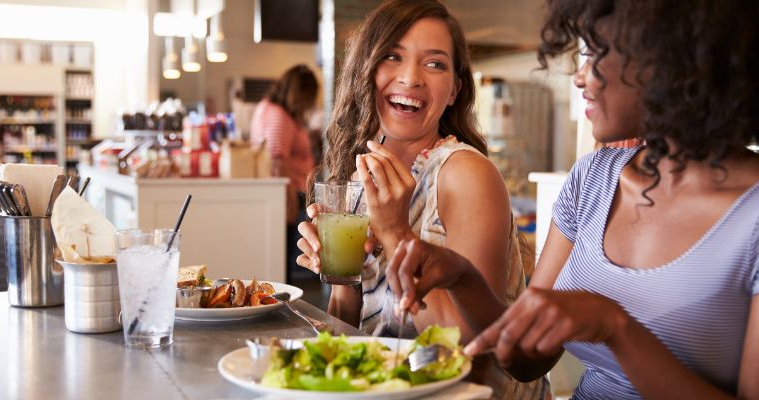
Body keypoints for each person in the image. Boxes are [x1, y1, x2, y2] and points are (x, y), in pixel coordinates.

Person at [387, 0, 759, 398]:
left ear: (672, 61)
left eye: (596, 53)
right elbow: (525, 360)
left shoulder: (750, 216)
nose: (580, 77)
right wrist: (463, 278)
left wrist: (615, 327)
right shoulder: (593, 177)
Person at [295, 0, 548, 397]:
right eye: (392, 56)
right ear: (367, 70)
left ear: (454, 91)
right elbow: (354, 331)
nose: (411, 78)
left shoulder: (466, 174)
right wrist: (342, 276)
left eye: (434, 64)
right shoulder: (361, 174)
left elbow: (465, 351)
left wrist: (396, 231)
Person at [250, 64, 319, 281]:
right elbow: (278, 161)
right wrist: (289, 204)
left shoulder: (270, 109)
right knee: (287, 260)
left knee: (286, 258)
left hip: (287, 195)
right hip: (288, 196)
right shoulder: (278, 115)